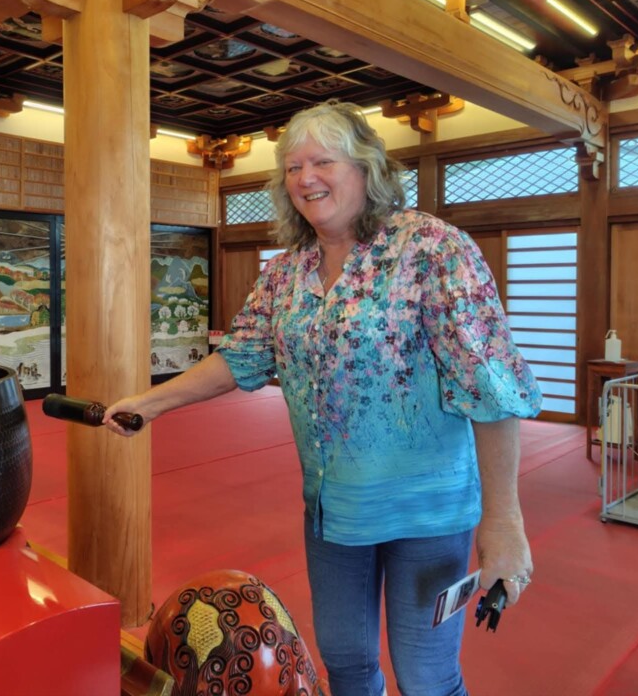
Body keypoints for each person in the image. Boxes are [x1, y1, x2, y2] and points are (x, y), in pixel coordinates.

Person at [103, 100, 541, 696]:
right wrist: (149, 403)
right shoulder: (287, 271)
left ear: (366, 169)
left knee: (427, 676)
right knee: (347, 665)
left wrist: (505, 521)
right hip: (332, 513)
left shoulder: (433, 249)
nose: (306, 177)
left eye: (323, 161)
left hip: (427, 512)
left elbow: (489, 386)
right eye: (292, 166)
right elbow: (240, 357)